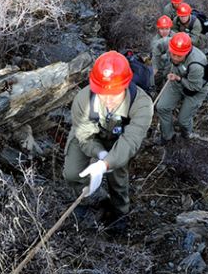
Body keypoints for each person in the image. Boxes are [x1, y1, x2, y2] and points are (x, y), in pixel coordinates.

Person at [63, 51, 153, 232]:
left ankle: (121, 211)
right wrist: (100, 154)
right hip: (89, 136)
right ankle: (83, 201)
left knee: (117, 177)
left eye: (114, 93)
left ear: (126, 85)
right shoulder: (83, 99)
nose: (108, 99)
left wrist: (105, 164)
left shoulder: (142, 105)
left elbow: (129, 142)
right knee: (72, 173)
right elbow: (84, 136)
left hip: (118, 140)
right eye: (103, 93)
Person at [156, 32, 208, 144]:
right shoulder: (171, 48)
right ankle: (167, 137)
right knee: (161, 107)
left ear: (186, 52)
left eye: (179, 56)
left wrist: (178, 78)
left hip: (196, 89)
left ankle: (185, 136)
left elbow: (195, 87)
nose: (174, 58)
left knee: (183, 121)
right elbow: (162, 53)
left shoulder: (196, 65)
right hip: (177, 81)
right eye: (173, 54)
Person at [151, 15, 174, 92]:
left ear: (170, 29)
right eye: (162, 29)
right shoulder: (155, 42)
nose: (164, 31)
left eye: (167, 29)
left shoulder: (175, 36)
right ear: (158, 29)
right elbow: (157, 58)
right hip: (159, 67)